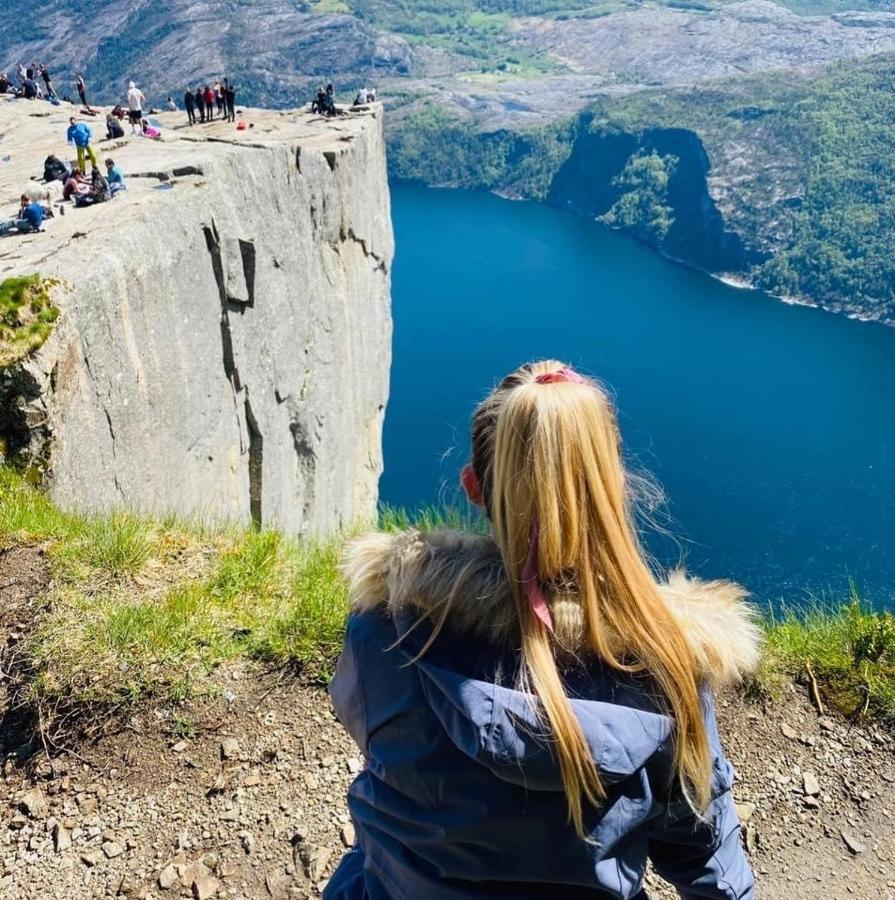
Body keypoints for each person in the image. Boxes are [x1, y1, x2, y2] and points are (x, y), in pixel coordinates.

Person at [326, 360, 759, 900]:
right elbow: (703, 852)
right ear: (617, 488)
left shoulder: (387, 628)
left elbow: (363, 726)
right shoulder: (669, 668)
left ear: (473, 487)